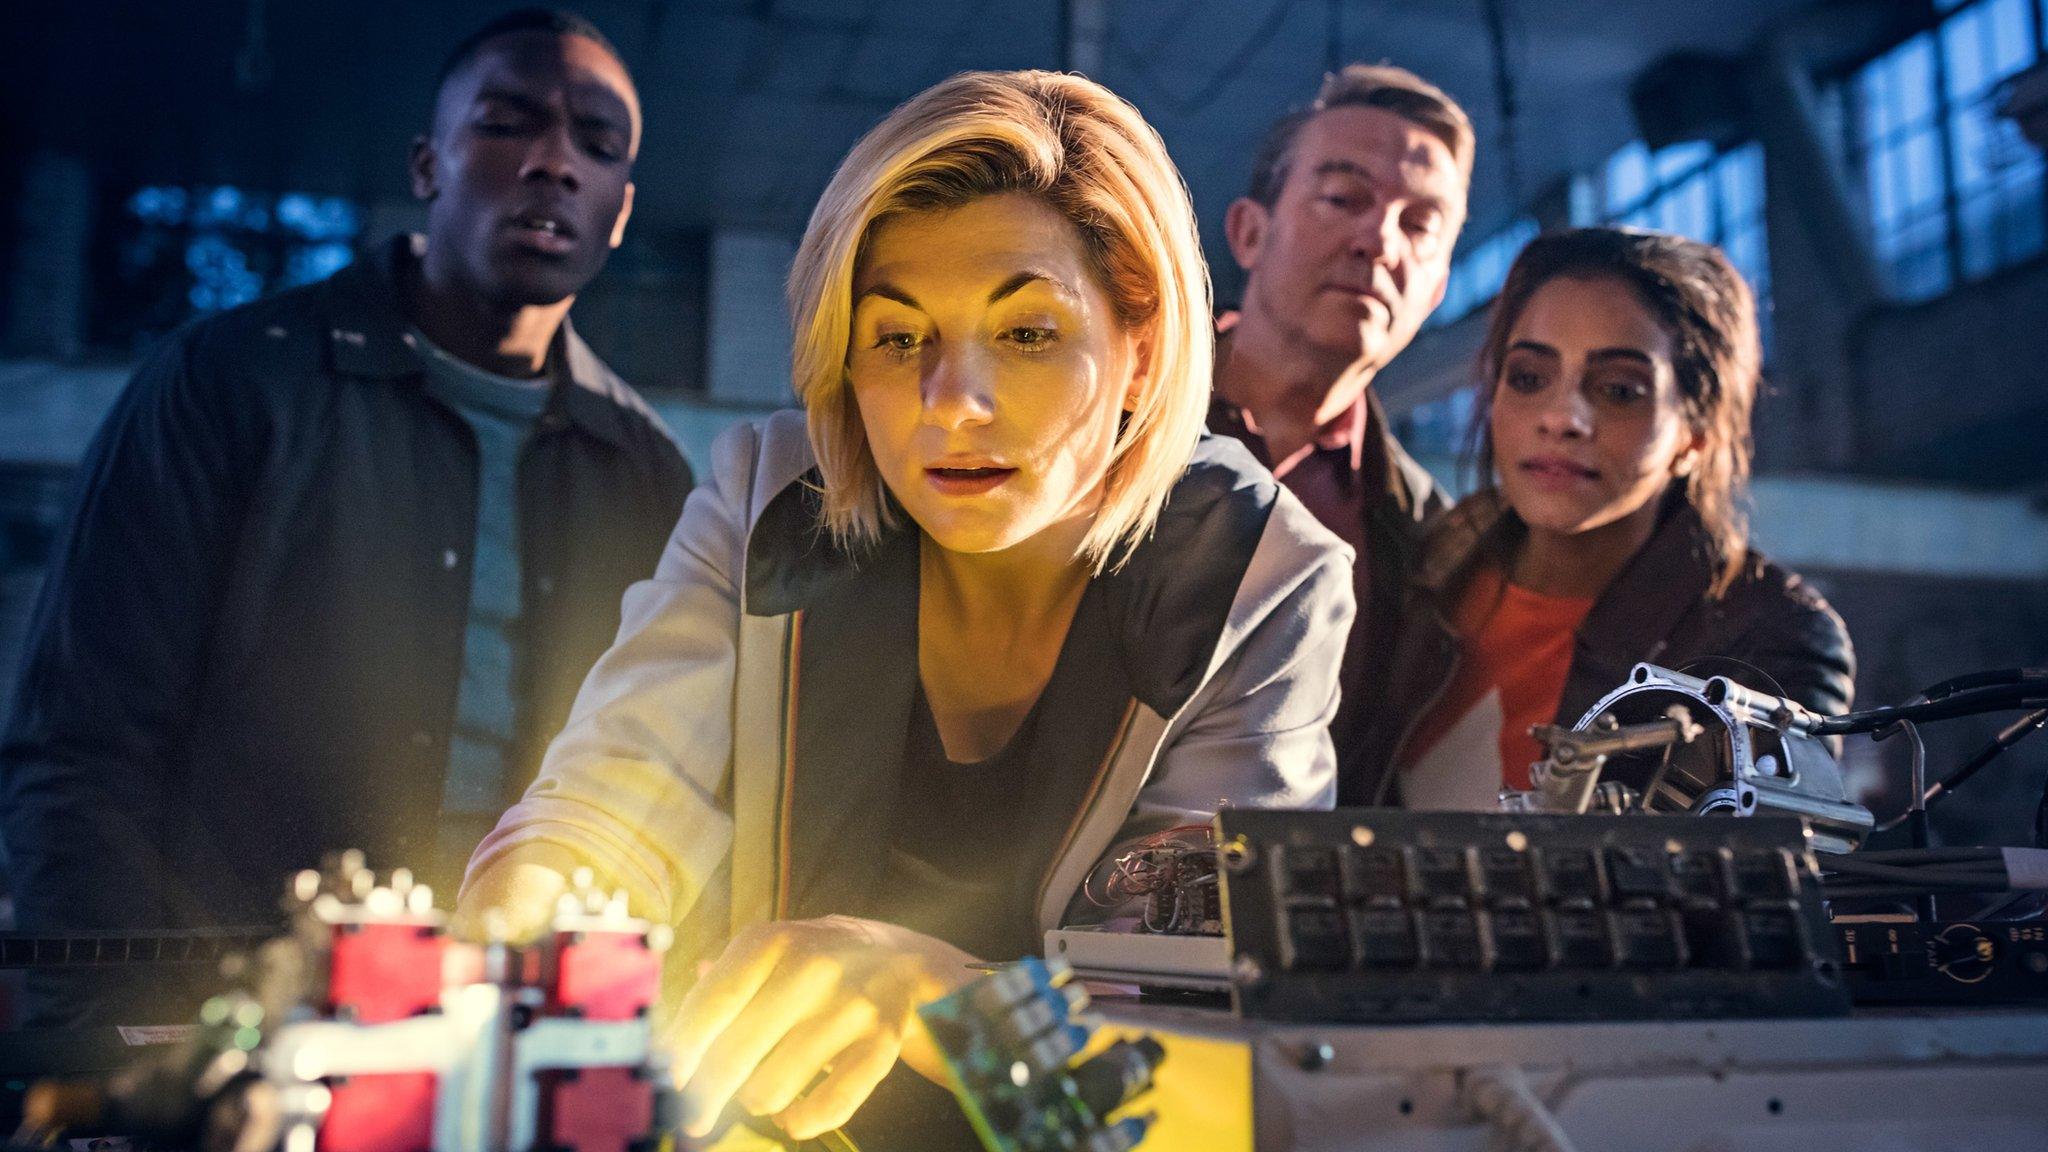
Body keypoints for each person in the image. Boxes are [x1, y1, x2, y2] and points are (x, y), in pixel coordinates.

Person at [458, 70, 1352, 1146]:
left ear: (1142, 349)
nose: (950, 402)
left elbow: (1209, 1043)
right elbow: (616, 794)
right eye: (895, 337)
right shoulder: (768, 497)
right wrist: (529, 911)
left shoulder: (1261, 576)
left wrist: (946, 995)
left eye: (1024, 334)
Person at [0, 8, 690, 1023]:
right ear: (426, 164)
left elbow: (662, 791)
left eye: (596, 145)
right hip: (235, 1035)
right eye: (507, 124)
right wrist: (115, 1043)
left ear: (620, 212)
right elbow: (83, 744)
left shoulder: (648, 473)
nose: (554, 165)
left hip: (506, 1046)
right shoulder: (229, 382)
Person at [1352, 227, 1854, 809]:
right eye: (1529, 378)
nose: (1562, 417)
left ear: (1696, 433)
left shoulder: (1766, 638)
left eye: (1619, 389)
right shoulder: (1422, 567)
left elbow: (1746, 881)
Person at [1207, 64, 1470, 802]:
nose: (1380, 242)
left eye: (1421, 225)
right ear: (1250, 232)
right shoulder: (1109, 415)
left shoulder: (1425, 541)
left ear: (1439, 286)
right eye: (1343, 198)